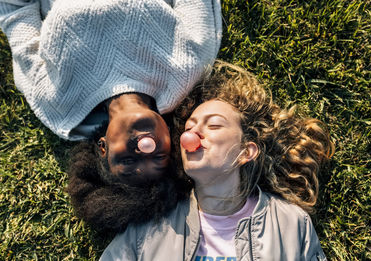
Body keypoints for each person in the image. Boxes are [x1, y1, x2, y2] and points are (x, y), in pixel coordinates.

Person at [0, 0, 221, 231]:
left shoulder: (56, 102)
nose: (145, 148)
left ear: (103, 148)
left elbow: (14, 13)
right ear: (171, 142)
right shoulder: (188, 70)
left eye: (127, 161)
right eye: (158, 158)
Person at [100, 61, 335, 260]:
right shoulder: (152, 223)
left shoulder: (291, 224)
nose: (192, 134)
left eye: (213, 125)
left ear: (246, 152)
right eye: (190, 127)